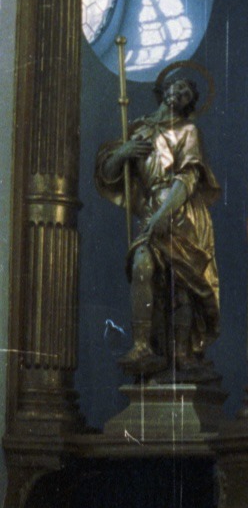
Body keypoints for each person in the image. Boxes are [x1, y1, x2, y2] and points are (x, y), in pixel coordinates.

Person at [95, 74, 221, 379]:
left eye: (187, 90)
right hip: (152, 207)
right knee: (142, 266)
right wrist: (123, 153)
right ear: (163, 91)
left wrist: (165, 212)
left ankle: (181, 353)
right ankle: (141, 346)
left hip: (181, 211)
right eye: (175, 86)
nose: (179, 91)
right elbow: (110, 173)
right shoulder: (139, 128)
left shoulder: (189, 131)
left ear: (191, 102)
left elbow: (189, 177)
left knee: (183, 283)